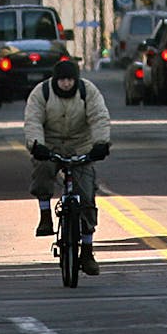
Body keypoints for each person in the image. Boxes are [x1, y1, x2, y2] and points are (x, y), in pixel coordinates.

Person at [24, 58, 111, 276]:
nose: (66, 84)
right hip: (50, 145)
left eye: (70, 79)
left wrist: (101, 144)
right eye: (62, 80)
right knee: (42, 170)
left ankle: (87, 251)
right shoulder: (41, 93)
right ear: (55, 80)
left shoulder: (88, 91)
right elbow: (32, 120)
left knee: (87, 195)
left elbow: (99, 117)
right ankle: (45, 215)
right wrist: (37, 145)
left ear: (76, 79)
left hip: (81, 145)